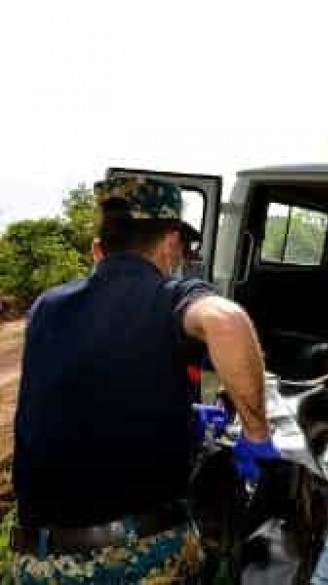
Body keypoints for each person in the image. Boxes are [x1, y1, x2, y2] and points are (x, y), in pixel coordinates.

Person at [12, 177, 280, 584]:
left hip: (36, 562)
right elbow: (226, 321)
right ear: (171, 243)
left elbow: (84, 385)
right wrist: (256, 433)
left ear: (98, 249)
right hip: (133, 559)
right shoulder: (169, 295)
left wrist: (176, 414)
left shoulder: (46, 307)